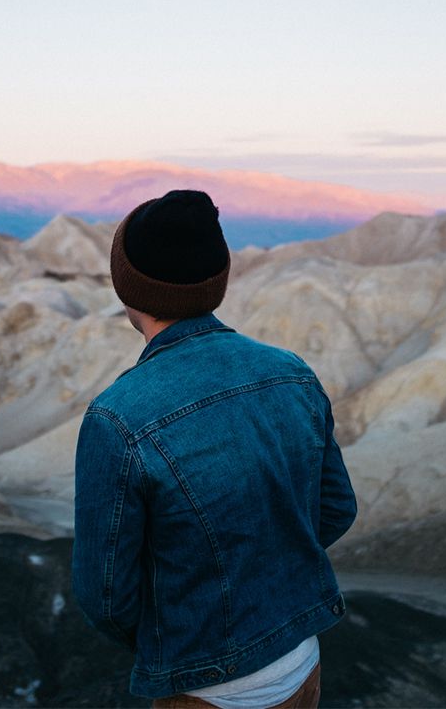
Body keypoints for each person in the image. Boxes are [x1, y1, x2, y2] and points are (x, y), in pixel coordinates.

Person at [72, 190, 357, 708]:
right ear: (218, 278)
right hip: (301, 664)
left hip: (207, 689)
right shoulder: (292, 372)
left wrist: (183, 632)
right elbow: (337, 509)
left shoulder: (117, 419)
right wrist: (271, 577)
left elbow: (106, 598)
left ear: (126, 287)